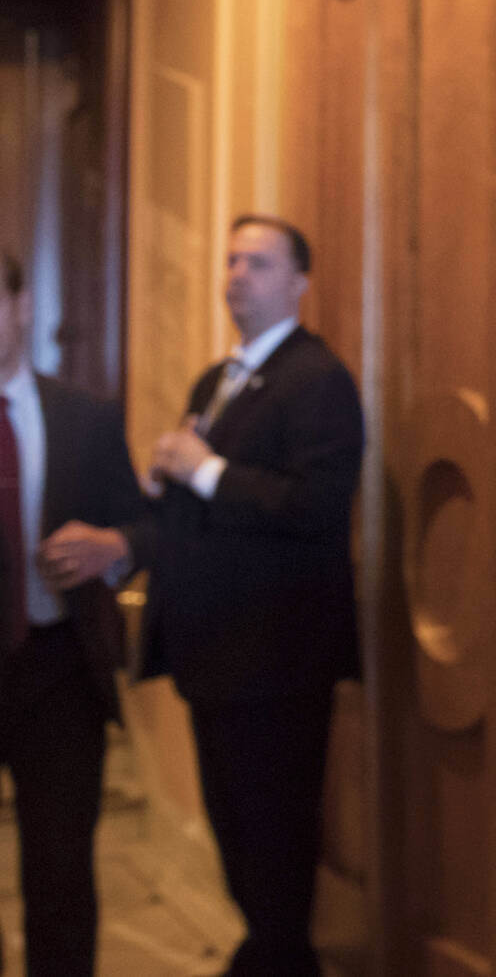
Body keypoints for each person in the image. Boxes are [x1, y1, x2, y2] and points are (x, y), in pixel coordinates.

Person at [139, 215, 365, 977]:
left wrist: (203, 470)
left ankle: (278, 957)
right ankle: (266, 951)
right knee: (234, 824)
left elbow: (317, 504)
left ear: (299, 281)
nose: (237, 274)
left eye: (258, 262)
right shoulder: (217, 378)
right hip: (213, 650)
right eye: (232, 259)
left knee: (274, 829)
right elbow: (207, 490)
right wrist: (167, 478)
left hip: (278, 657)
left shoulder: (319, 378)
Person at [0, 251, 148, 977]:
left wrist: (111, 545)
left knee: (60, 869)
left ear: (21, 305)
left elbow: (143, 527)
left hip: (59, 672)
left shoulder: (85, 418)